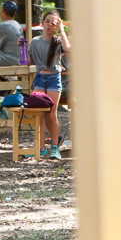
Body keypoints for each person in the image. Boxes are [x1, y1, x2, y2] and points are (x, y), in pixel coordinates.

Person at [28, 9, 70, 159]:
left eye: (54, 23)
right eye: (47, 21)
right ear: (42, 23)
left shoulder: (57, 41)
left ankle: (54, 147)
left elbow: (67, 48)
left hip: (53, 78)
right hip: (40, 78)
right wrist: (21, 48)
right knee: (39, 114)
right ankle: (40, 148)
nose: (49, 25)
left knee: (52, 113)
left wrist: (62, 30)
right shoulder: (35, 41)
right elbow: (27, 61)